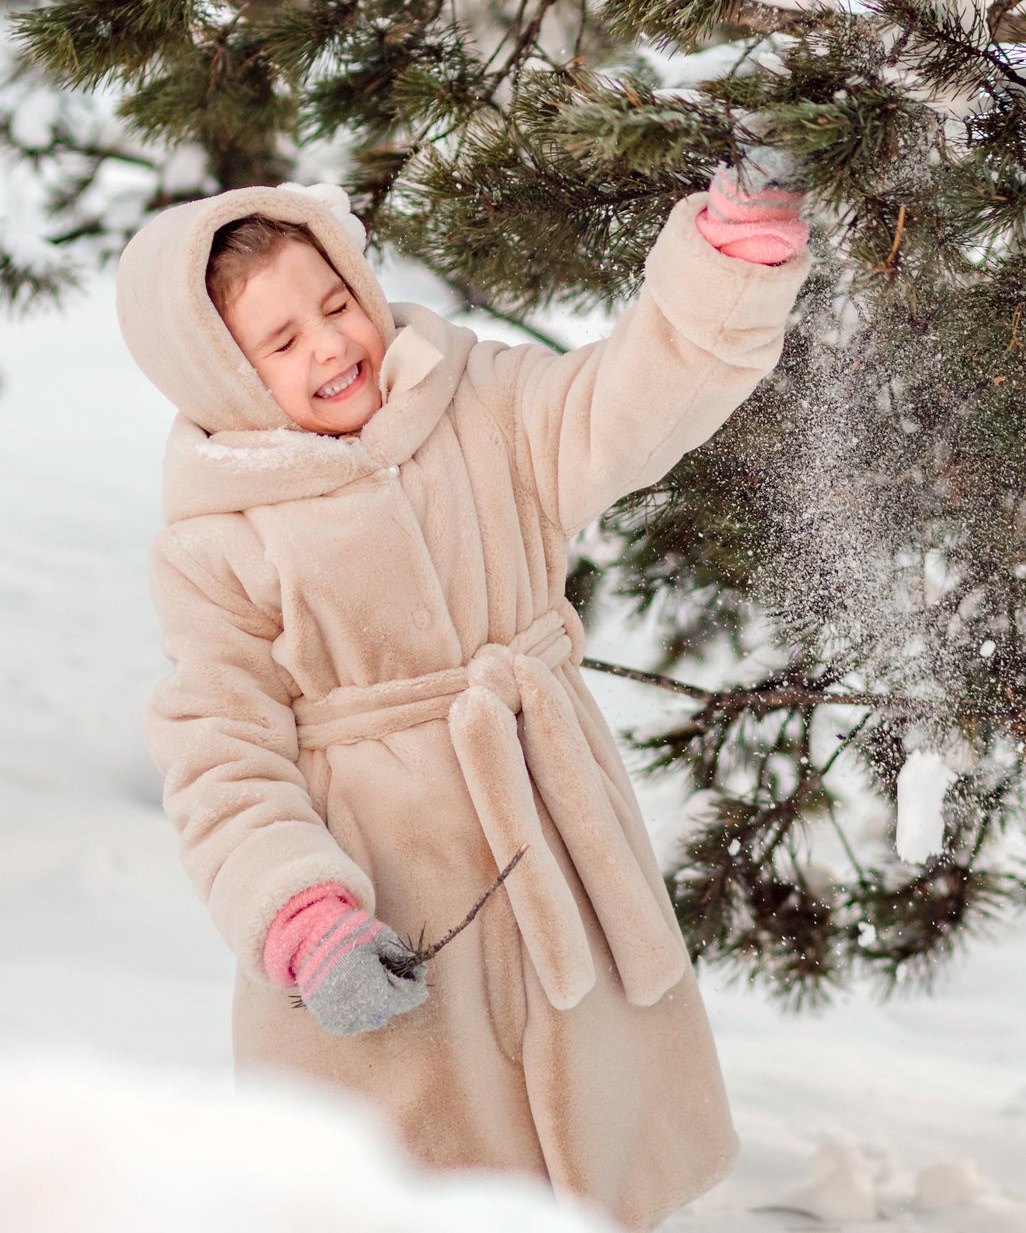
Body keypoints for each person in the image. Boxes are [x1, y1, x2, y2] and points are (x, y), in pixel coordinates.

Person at [112, 158, 810, 1230]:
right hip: (383, 911)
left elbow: (625, 402)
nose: (331, 345)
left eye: (336, 304)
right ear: (222, 378)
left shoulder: (476, 400)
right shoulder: (220, 544)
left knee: (592, 1152)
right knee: (418, 1182)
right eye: (281, 342)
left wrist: (724, 262)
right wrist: (301, 913)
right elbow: (219, 752)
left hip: (550, 847)